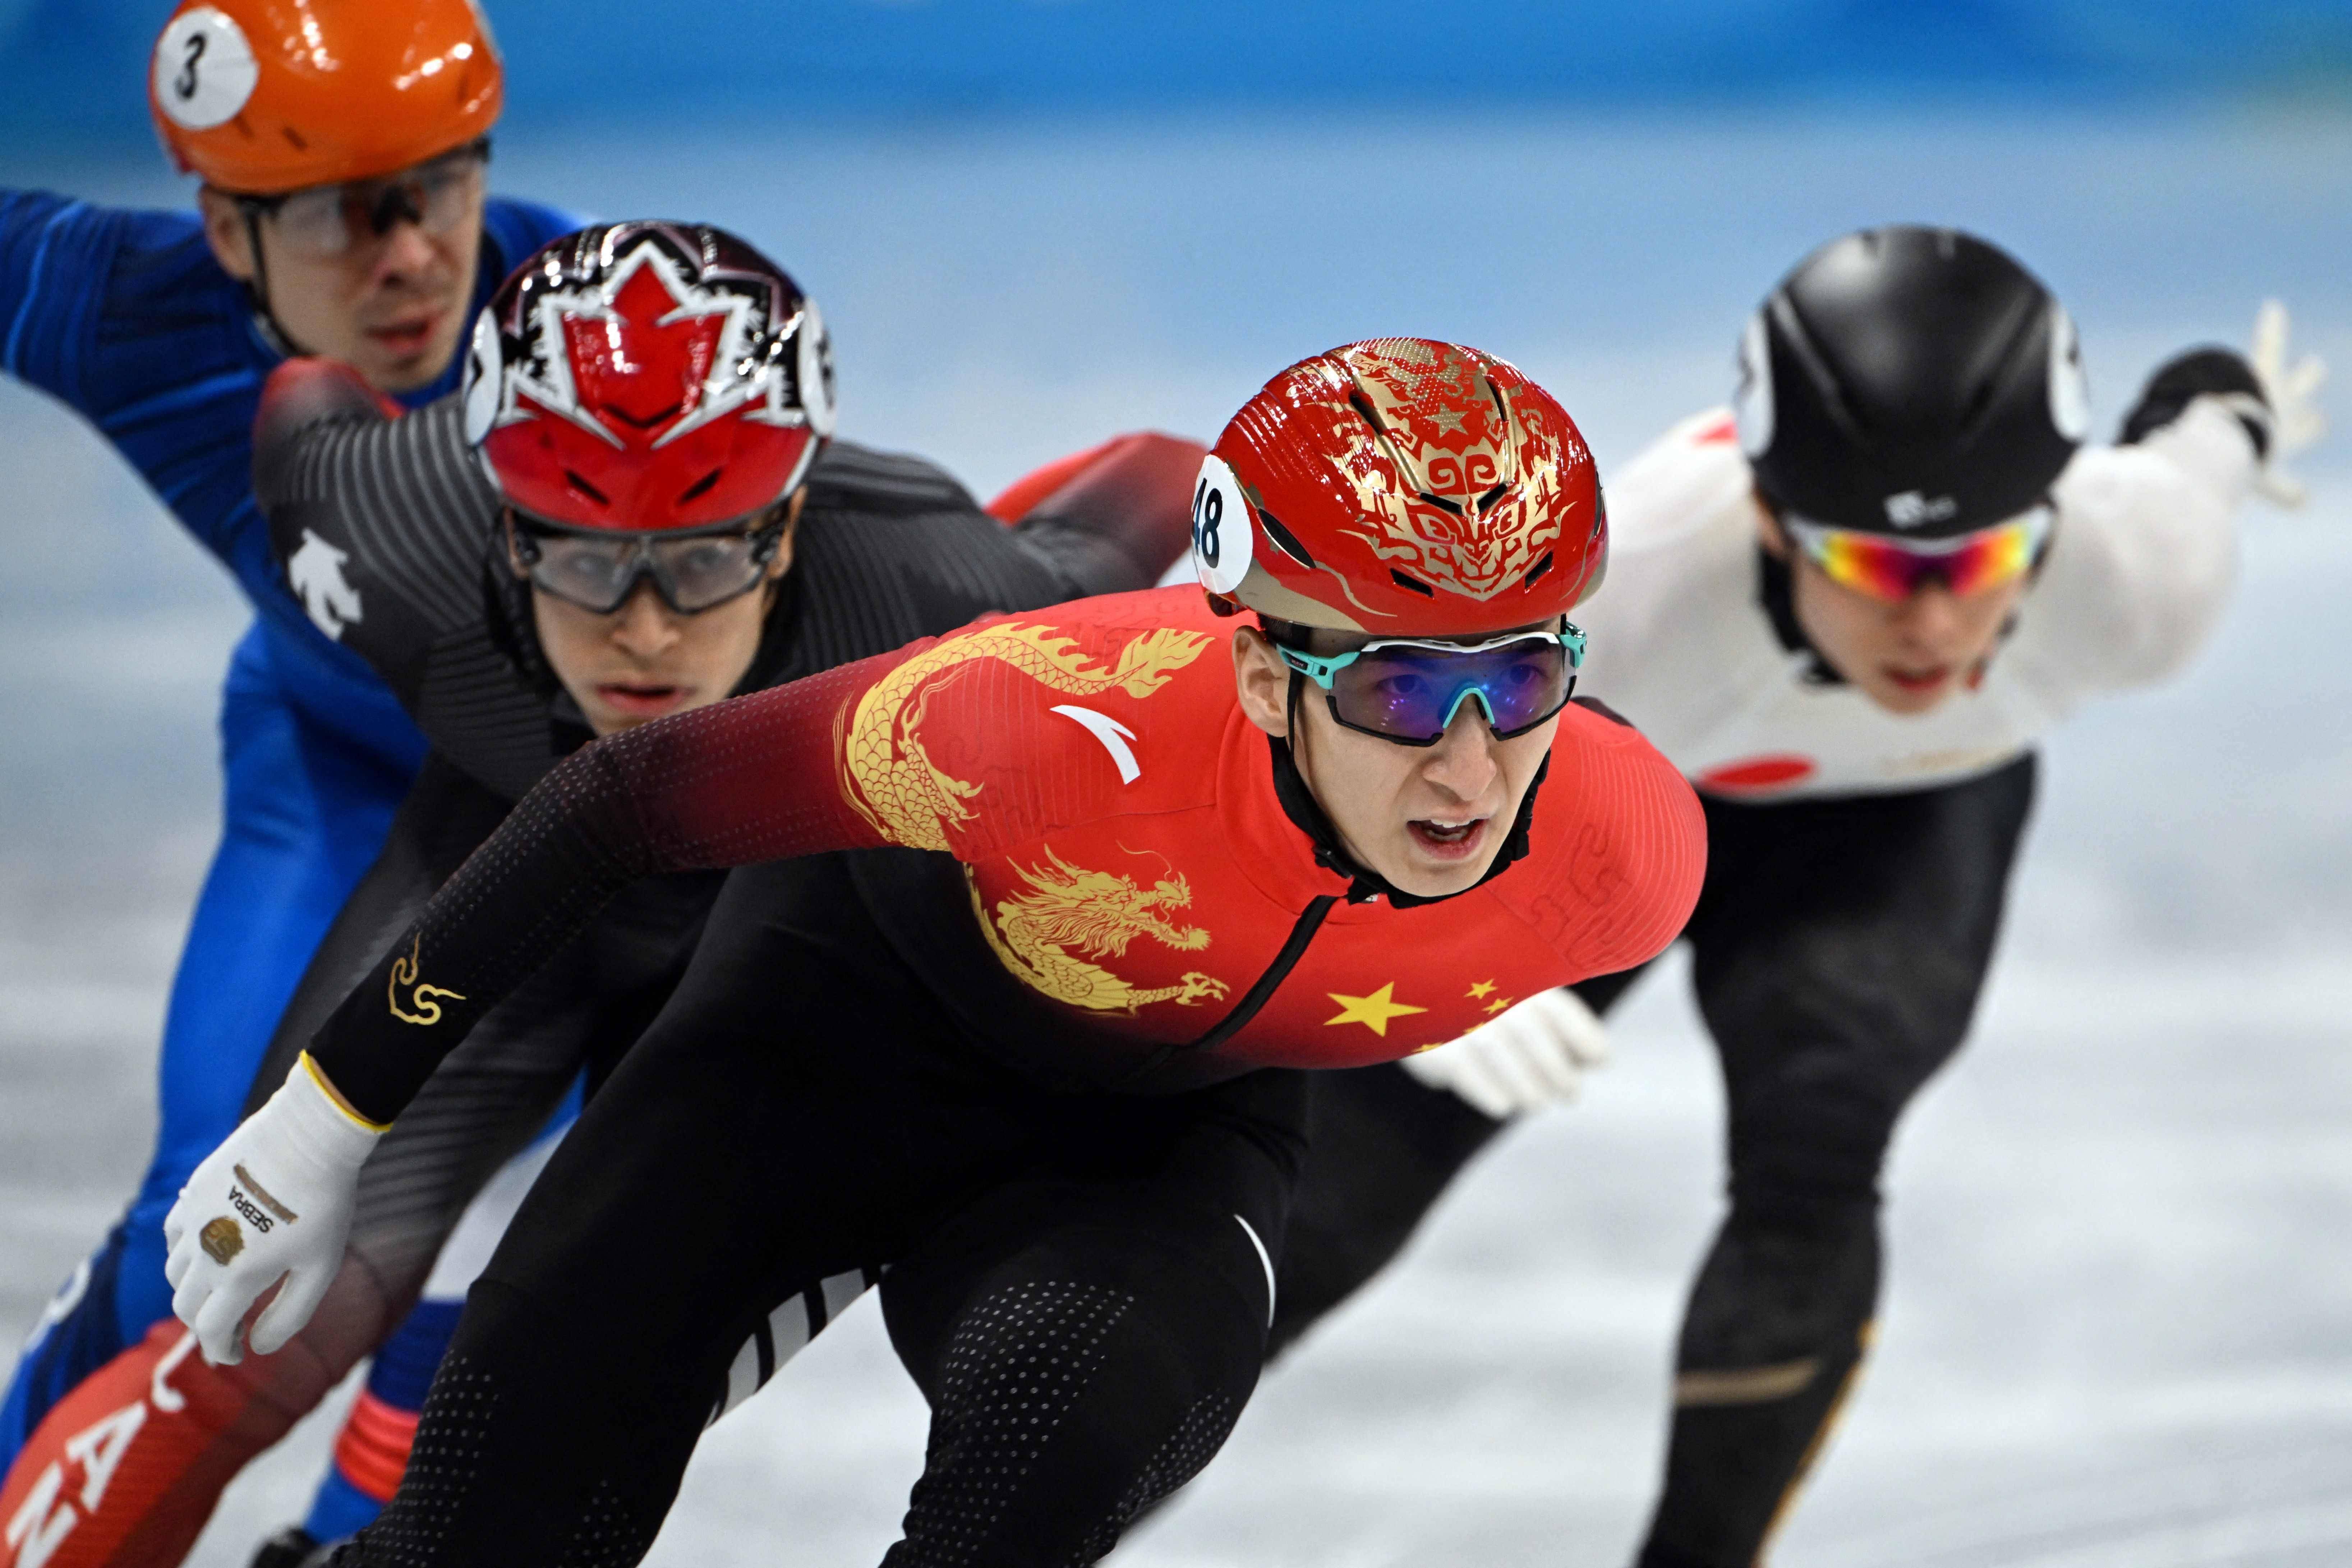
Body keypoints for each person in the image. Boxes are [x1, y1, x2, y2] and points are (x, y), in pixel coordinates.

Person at [157, 338, 1707, 1565]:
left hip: (1145, 1153)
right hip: (818, 1044)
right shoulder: (1027, 723)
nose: (1464, 764)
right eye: (1392, 690)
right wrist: (329, 1107)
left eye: (1515, 678)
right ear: (1253, 671)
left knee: (1042, 1468)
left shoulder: (1619, 854)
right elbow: (616, 801)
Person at [0, 219, 1198, 1568]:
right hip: (498, 888)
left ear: (792, 521)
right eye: (581, 558)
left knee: (537, 1355)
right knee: (250, 1329)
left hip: (760, 944)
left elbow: (1161, 479)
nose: (643, 628)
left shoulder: (944, 611)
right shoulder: (373, 515)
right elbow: (300, 403)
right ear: (502, 528)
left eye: (703, 559)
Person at [1256, 227, 2326, 1568]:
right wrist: (1389, 942)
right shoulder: (1629, 587)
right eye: (1876, 569)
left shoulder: (2137, 580)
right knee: (1340, 1183)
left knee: (1816, 1154)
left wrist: (2224, 403)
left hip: (1895, 823)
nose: (1931, 627)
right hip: (1585, 797)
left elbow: (2196, 439)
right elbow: (1287, 728)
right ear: (1770, 519)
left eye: (1983, 563)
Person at [0, 0, 575, 1553]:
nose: (407, 255)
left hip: (571, 815)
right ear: (223, 231)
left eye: (441, 186)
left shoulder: (589, 322)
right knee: (198, 1241)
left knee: (539, 1243)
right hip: (327, 767)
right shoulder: (115, 303)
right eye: (338, 212)